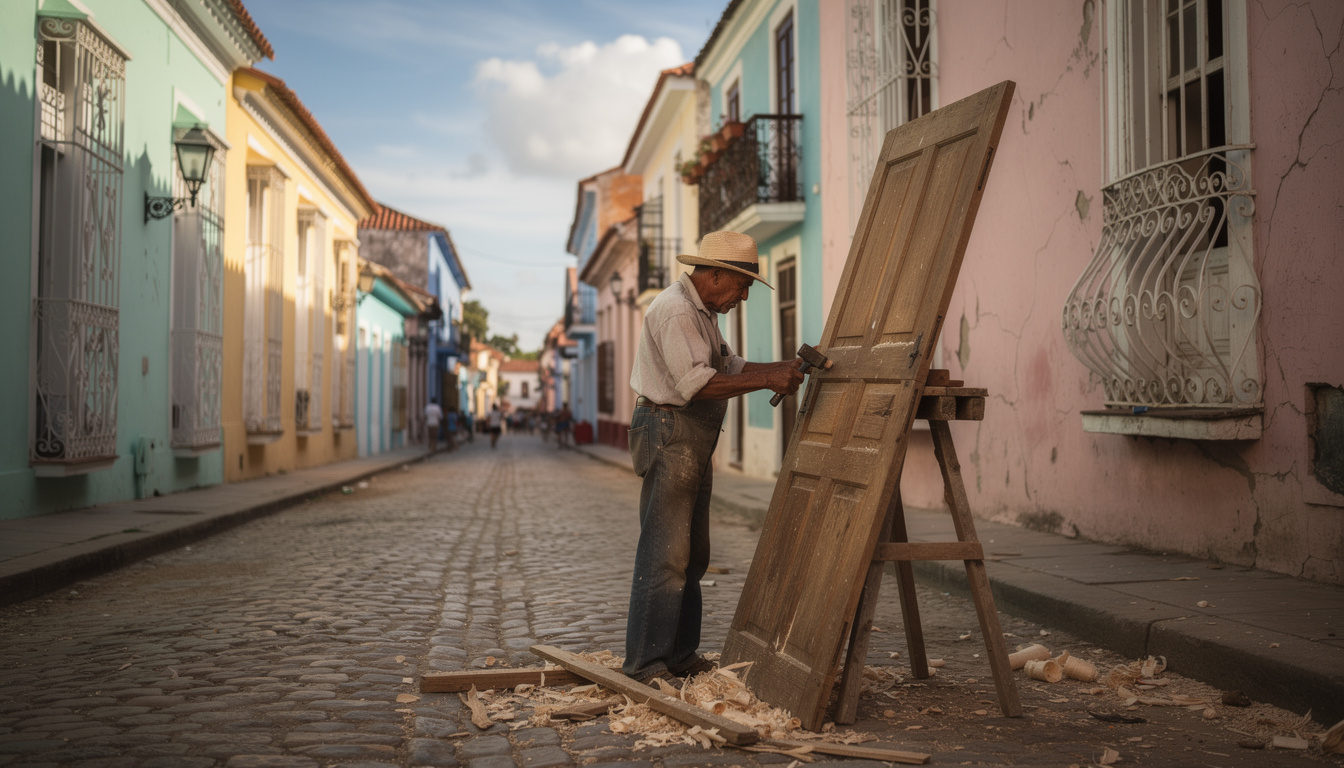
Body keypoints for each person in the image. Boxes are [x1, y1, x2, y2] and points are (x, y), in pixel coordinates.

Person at [623, 230, 804, 686]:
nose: (743, 297)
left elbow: (726, 365)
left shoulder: (700, 311)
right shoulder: (677, 311)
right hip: (668, 431)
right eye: (742, 286)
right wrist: (768, 381)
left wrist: (778, 369)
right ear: (716, 274)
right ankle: (645, 663)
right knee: (664, 554)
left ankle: (680, 654)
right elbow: (698, 384)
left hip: (688, 436)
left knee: (693, 554)